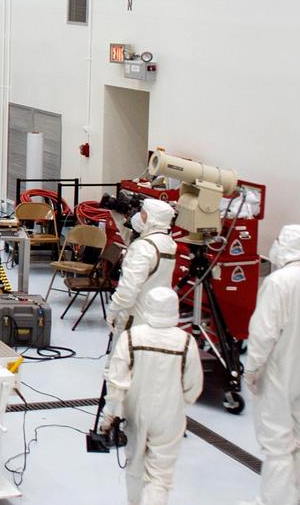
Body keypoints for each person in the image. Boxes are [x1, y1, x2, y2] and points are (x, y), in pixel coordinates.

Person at [100, 286, 203, 505]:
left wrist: (108, 416)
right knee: (159, 477)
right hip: (169, 415)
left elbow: (117, 381)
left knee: (134, 467)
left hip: (135, 411)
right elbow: (193, 385)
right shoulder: (186, 342)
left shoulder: (131, 337)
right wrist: (178, 402)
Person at [243, 224, 300, 505]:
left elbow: (264, 331)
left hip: (279, 368)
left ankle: (275, 500)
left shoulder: (279, 281)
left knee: (277, 442)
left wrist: (252, 368)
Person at [107, 198, 177, 336]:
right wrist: (119, 220)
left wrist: (113, 311)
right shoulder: (168, 243)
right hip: (157, 317)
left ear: (152, 218)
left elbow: (127, 291)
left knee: (126, 356)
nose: (139, 216)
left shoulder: (142, 247)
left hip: (135, 321)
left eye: (143, 213)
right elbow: (135, 242)